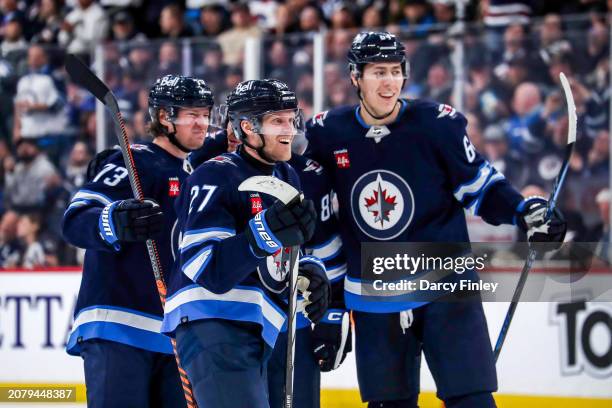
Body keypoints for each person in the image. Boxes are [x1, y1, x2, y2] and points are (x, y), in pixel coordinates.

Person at [304, 31, 567, 408]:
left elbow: (480, 186)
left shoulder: (437, 124)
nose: (390, 81)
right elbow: (319, 216)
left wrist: (523, 211)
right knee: (388, 404)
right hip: (375, 294)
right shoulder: (327, 133)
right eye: (379, 72)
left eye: (396, 71)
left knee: (471, 399)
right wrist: (331, 301)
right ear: (355, 77)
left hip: (445, 283)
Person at [161, 79, 331, 408]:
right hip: (210, 320)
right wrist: (264, 232)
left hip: (258, 324)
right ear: (247, 128)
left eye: (291, 118)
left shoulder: (287, 177)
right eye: (276, 121)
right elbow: (203, 266)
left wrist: (307, 271)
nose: (289, 129)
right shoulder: (214, 175)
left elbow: (274, 260)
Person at [61, 75, 216, 407]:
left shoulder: (197, 176)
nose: (202, 123)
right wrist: (115, 220)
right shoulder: (134, 161)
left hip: (173, 333)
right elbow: (75, 220)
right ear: (164, 117)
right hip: (119, 325)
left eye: (205, 114)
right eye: (192, 114)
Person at [188, 117, 351, 408]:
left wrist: (331, 310)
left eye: (287, 121)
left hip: (289, 321)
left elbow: (321, 247)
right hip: (228, 319)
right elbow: (200, 256)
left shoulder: (299, 174)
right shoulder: (208, 171)